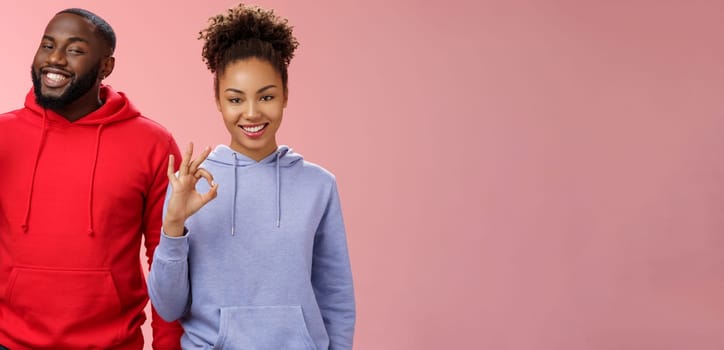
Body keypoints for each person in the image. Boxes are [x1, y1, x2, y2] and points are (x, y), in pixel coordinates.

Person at [147, 3, 356, 349]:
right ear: (218, 100)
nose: (251, 113)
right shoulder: (192, 185)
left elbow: (336, 297)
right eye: (235, 99)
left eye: (267, 96)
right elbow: (168, 308)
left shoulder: (319, 186)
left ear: (286, 95)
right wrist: (173, 226)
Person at [0, 8, 183, 349]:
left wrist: (168, 346)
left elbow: (167, 259)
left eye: (75, 50)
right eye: (47, 45)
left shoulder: (153, 144)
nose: (54, 59)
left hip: (112, 344)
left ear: (106, 67)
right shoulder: (3, 136)